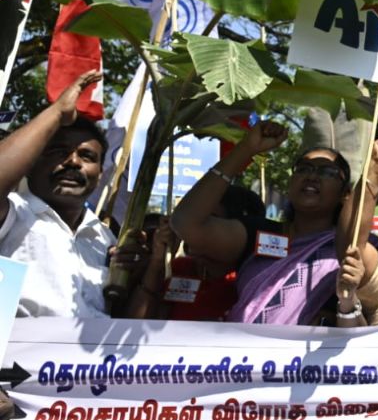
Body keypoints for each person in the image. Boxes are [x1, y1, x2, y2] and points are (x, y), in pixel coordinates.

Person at [171, 121, 378, 326]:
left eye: (327, 172)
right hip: (238, 367)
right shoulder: (257, 234)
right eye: (303, 169)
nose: (312, 176)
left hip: (304, 372)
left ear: (345, 194)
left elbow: (350, 250)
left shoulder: (357, 244)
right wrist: (246, 149)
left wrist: (374, 172)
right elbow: (186, 223)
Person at [0, 71, 117, 317]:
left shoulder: (106, 239)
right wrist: (57, 113)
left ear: (100, 174)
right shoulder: (14, 214)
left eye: (86, 156)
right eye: (57, 151)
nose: (72, 162)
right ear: (30, 162)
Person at [126, 185, 267, 321]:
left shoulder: (257, 278)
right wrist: (156, 263)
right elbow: (136, 324)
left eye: (209, 221)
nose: (192, 228)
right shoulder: (180, 268)